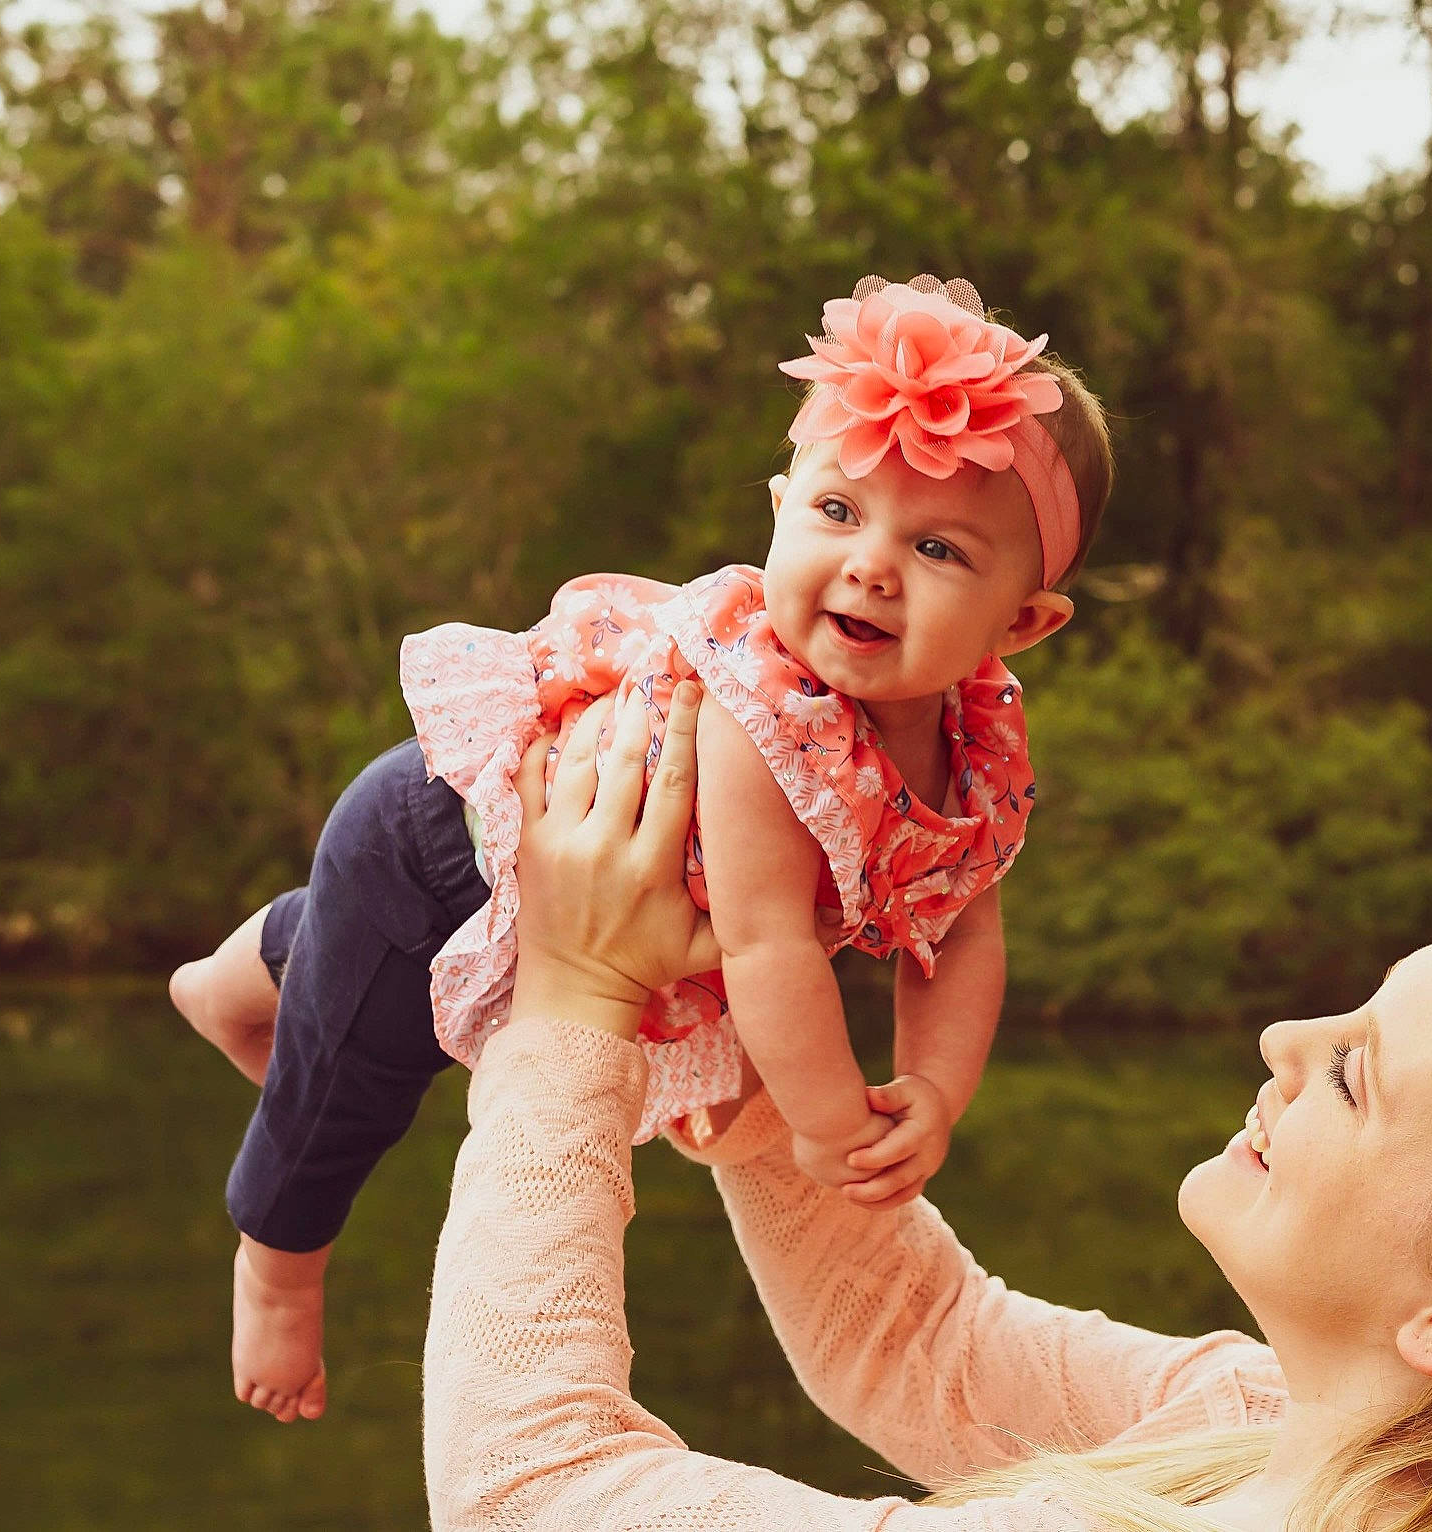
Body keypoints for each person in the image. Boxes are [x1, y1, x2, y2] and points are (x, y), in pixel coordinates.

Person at [420, 683, 1432, 1532]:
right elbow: (928, 1347)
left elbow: (532, 1489)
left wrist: (571, 1009)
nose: (1282, 1036)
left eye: (1358, 1072)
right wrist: (765, 1110)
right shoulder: (1290, 1426)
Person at [168, 273, 1115, 1423]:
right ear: (776, 507)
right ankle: (277, 1262)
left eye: (939, 550)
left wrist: (932, 1086)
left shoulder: (979, 750)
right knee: (354, 1079)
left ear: (1022, 622)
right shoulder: (763, 712)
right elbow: (767, 948)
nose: (870, 564)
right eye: (836, 512)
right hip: (444, 844)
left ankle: (245, 968)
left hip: (548, 877)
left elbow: (963, 922)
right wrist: (828, 1127)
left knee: (344, 975)